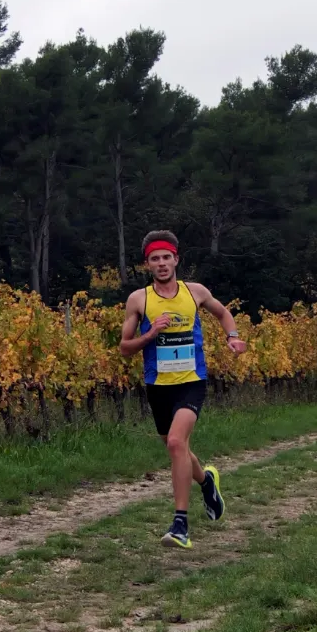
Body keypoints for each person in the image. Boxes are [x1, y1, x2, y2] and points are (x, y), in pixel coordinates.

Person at [119, 230, 247, 548]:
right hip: (158, 386)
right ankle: (206, 481)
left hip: (191, 381)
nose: (161, 263)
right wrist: (150, 334)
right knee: (176, 448)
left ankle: (180, 525)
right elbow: (124, 348)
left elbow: (222, 313)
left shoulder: (195, 292)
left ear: (176, 259)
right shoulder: (139, 299)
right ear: (147, 264)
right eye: (155, 259)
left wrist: (232, 337)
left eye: (166, 257)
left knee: (177, 443)